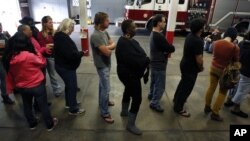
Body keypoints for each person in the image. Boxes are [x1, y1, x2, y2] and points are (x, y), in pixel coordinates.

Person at [3, 32, 58, 131]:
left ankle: (32, 124)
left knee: (27, 105)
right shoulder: (29, 55)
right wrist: (36, 52)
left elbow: (10, 73)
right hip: (37, 85)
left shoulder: (10, 57)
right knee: (43, 105)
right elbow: (42, 63)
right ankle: (49, 125)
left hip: (22, 87)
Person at [116, 19, 150, 135]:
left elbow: (138, 56)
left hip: (126, 73)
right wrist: (145, 60)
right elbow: (135, 60)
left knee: (128, 89)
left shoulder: (127, 40)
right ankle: (130, 125)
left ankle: (124, 111)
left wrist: (143, 59)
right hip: (129, 75)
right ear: (128, 30)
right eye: (134, 28)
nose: (136, 29)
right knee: (137, 98)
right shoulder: (124, 43)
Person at [204, 27, 240, 121]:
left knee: (211, 87)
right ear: (234, 36)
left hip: (213, 67)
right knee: (222, 92)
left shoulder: (216, 42)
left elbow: (212, 52)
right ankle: (215, 113)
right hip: (224, 72)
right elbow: (236, 61)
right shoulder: (234, 47)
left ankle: (207, 106)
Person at [173, 18, 206, 117]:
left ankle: (176, 99)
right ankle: (178, 108)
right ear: (200, 29)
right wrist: (201, 67)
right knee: (187, 88)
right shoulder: (198, 41)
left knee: (183, 83)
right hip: (191, 67)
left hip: (184, 64)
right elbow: (199, 59)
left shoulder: (189, 36)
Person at [54, 18, 85, 115]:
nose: (73, 30)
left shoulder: (60, 36)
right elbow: (70, 55)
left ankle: (70, 103)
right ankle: (73, 109)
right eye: (72, 28)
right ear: (67, 27)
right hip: (66, 67)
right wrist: (81, 53)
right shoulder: (63, 39)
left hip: (62, 66)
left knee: (69, 86)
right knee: (72, 87)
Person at [90, 12, 116, 123]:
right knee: (106, 88)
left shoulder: (104, 32)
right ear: (100, 22)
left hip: (107, 64)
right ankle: (105, 113)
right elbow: (108, 53)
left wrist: (107, 47)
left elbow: (113, 44)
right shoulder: (95, 36)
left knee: (102, 85)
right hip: (102, 65)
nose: (108, 21)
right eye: (106, 20)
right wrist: (108, 48)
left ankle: (103, 102)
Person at [148, 14, 175, 112]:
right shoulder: (158, 36)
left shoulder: (153, 33)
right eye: (163, 21)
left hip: (154, 62)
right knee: (160, 86)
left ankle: (151, 95)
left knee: (154, 82)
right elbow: (170, 48)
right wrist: (170, 47)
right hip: (159, 64)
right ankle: (154, 103)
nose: (165, 23)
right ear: (159, 23)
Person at [37, 16, 63, 97]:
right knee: (52, 75)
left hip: (56, 55)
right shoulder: (41, 34)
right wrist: (47, 46)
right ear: (44, 24)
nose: (52, 24)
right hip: (47, 57)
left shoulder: (54, 32)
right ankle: (56, 90)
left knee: (57, 73)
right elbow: (40, 46)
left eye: (52, 22)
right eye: (50, 22)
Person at [230, 31, 250, 118]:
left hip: (238, 68)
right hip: (247, 72)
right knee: (242, 91)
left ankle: (229, 100)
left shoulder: (242, 43)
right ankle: (236, 109)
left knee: (235, 86)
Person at [0, 22, 15, 104]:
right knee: (4, 78)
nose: (0, 28)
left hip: (6, 59)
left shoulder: (3, 35)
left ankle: (15, 89)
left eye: (0, 26)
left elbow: (6, 46)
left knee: (10, 75)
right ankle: (5, 96)